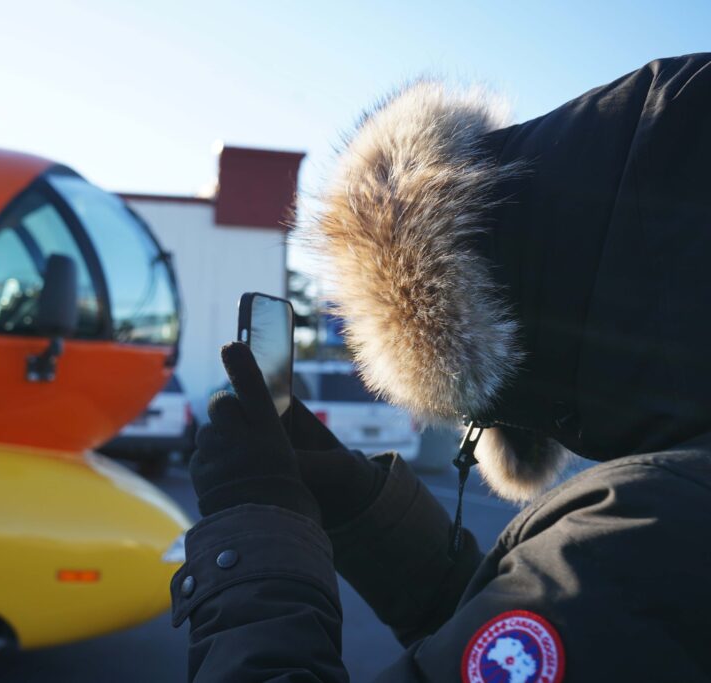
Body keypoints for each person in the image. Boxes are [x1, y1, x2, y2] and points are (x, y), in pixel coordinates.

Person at [173, 54, 711, 681]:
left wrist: (255, 535)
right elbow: (527, 626)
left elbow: (581, 606)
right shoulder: (670, 516)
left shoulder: (644, 530)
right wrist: (358, 507)